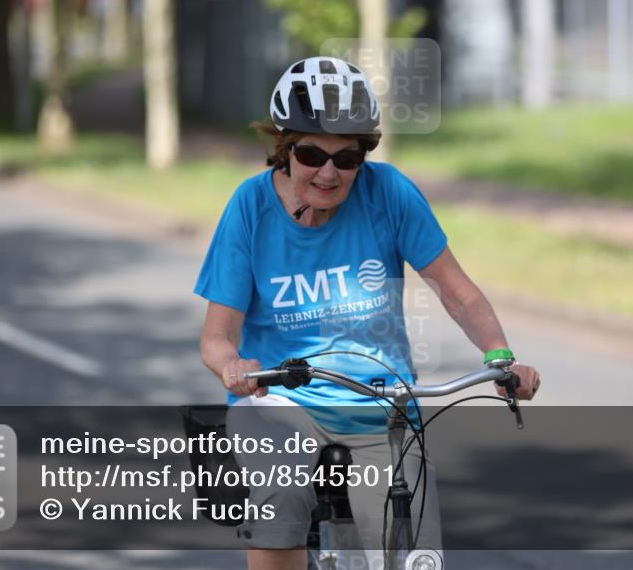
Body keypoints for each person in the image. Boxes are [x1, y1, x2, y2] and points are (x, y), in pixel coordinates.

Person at [195, 56, 541, 570]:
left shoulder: (390, 193)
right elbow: (217, 337)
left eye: (347, 158)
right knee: (281, 499)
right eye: (311, 154)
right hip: (280, 404)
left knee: (414, 550)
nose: (329, 172)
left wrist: (500, 357)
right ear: (285, 149)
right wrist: (234, 366)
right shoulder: (249, 207)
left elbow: (458, 293)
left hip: (382, 407)